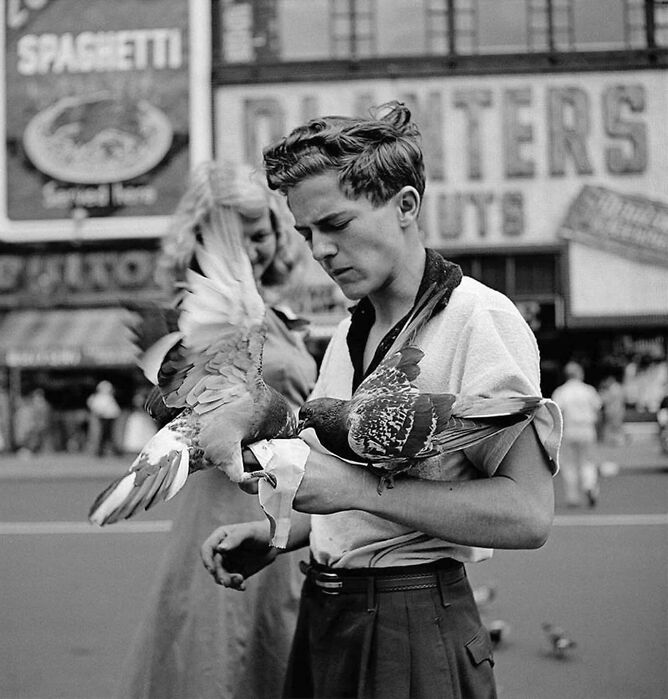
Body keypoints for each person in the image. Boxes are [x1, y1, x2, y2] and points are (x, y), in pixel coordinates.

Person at [201, 103, 561, 698]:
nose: (319, 250)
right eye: (307, 233)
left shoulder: (480, 319)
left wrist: (351, 490)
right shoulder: (350, 330)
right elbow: (348, 499)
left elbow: (528, 514)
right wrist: (281, 536)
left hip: (413, 622)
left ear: (406, 206)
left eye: (336, 225)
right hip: (328, 613)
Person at [116, 161, 317, 699]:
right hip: (230, 505)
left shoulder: (280, 316)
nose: (251, 250)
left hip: (295, 508)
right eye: (232, 236)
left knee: (276, 651)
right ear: (200, 241)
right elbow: (171, 398)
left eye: (260, 233)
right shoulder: (203, 317)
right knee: (223, 660)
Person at [552, 361, 602, 507]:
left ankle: (573, 496)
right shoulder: (589, 390)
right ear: (580, 373)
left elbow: (557, 413)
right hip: (587, 429)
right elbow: (598, 410)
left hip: (569, 429)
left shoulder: (561, 392)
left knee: (569, 464)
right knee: (588, 461)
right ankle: (589, 485)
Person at [86, 380, 122, 457]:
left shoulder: (108, 397)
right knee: (105, 435)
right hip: (104, 418)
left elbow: (114, 409)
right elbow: (96, 407)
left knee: (109, 435)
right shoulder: (100, 397)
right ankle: (101, 451)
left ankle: (108, 451)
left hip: (110, 418)